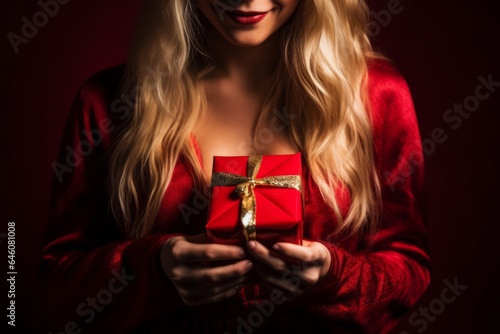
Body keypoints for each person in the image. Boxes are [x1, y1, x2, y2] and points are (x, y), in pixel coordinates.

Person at [41, 0, 431, 333]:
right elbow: (56, 285)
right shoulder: (109, 102)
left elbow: (409, 270)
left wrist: (334, 279)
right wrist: (153, 270)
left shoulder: (375, 95)